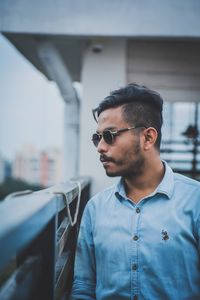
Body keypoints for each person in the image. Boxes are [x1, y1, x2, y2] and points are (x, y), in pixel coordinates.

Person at [71, 83, 200, 300]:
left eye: (110, 135)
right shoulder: (95, 208)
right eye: (97, 137)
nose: (100, 147)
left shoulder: (195, 201)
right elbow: (84, 286)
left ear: (148, 138)